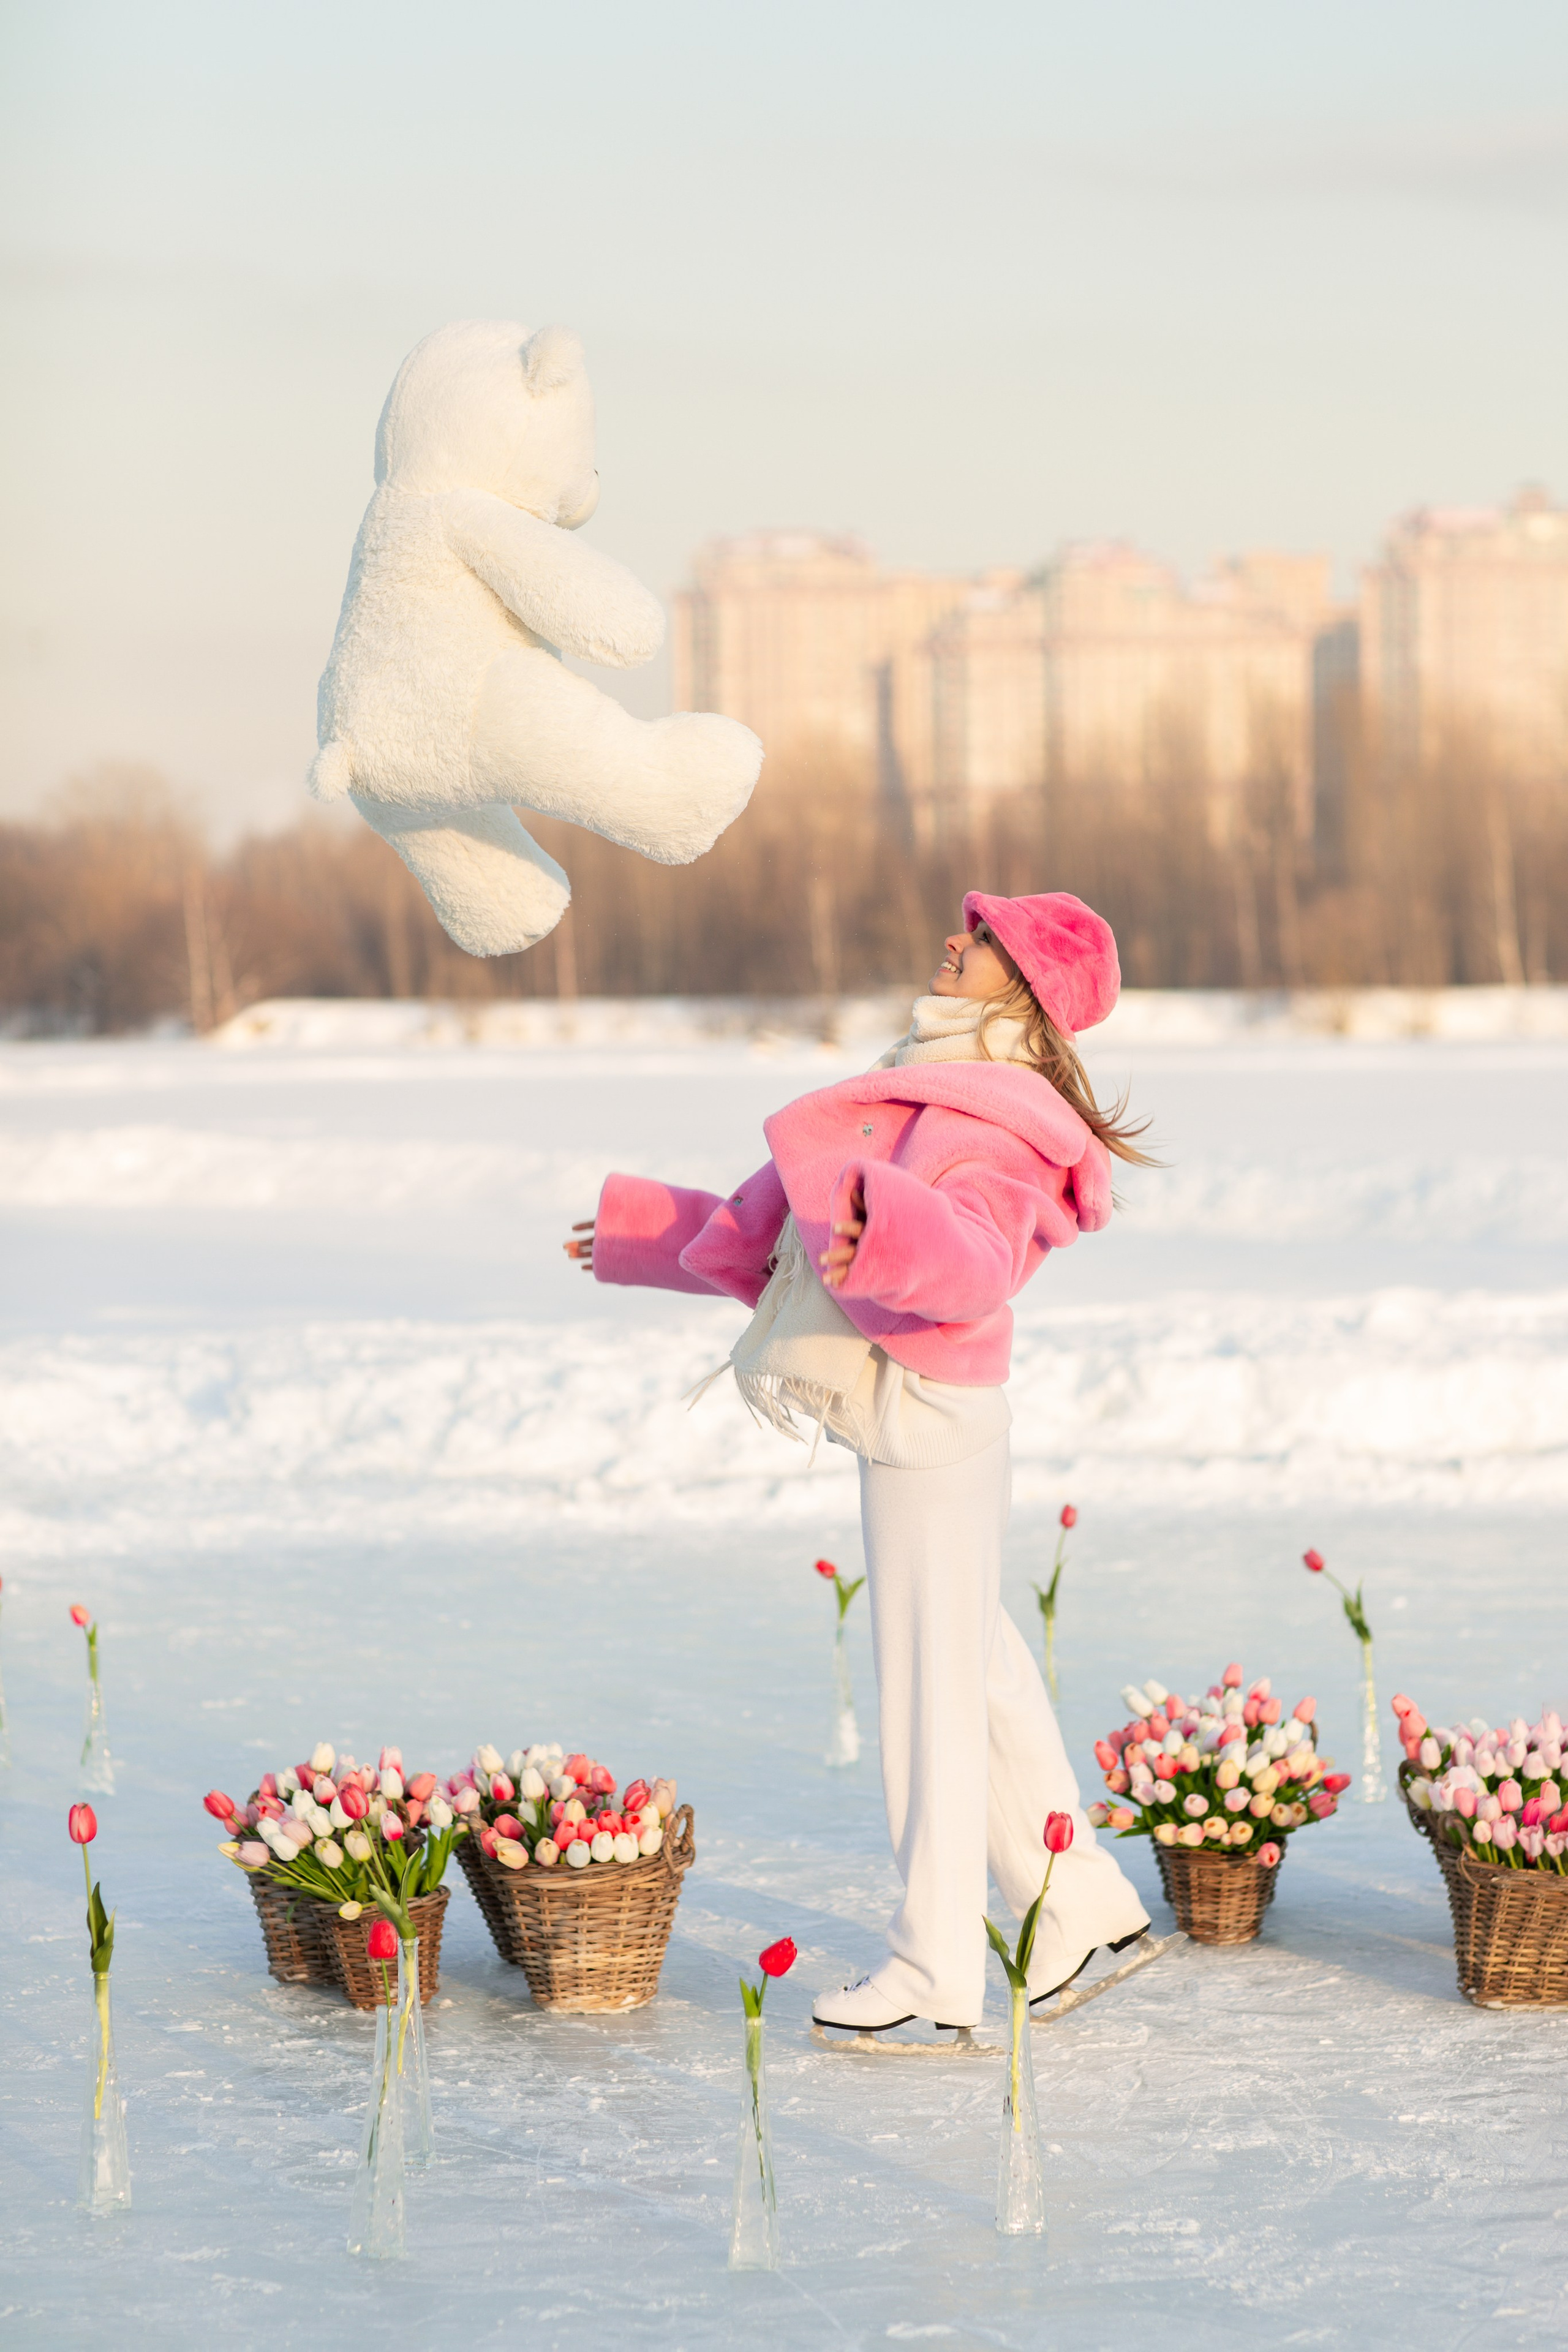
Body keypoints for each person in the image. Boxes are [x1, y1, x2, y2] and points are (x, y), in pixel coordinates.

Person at [564, 889, 1155, 2032]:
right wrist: (645, 1235)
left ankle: (937, 1975)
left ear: (1027, 981)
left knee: (928, 1701)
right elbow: (781, 1238)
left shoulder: (999, 1113)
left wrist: (892, 1230)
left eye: (981, 937)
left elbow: (977, 1258)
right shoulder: (928, 1080)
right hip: (921, 1409)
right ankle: (1082, 1913)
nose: (952, 940)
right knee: (972, 1673)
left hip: (931, 1412)